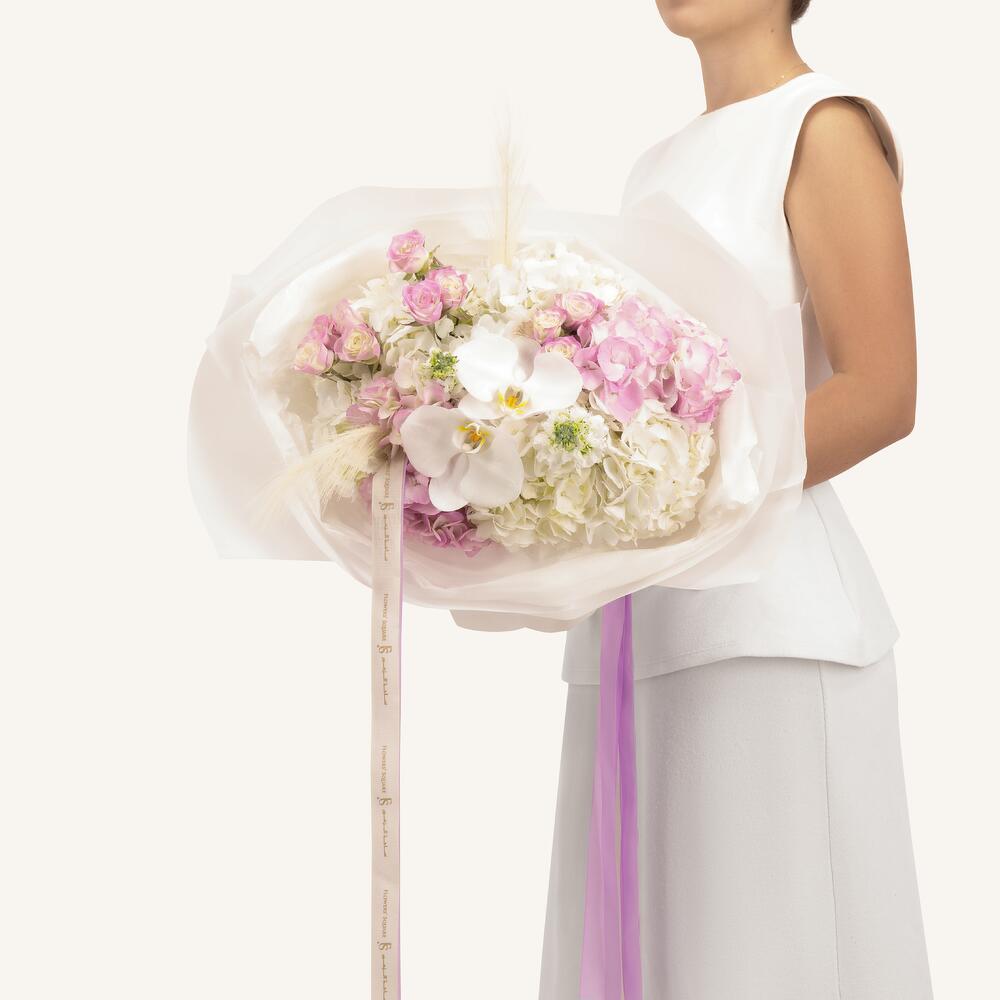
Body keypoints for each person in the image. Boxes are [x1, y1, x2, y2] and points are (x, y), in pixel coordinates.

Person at [538, 2, 934, 997]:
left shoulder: (823, 126)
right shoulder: (654, 167)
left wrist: (677, 491)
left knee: (764, 956)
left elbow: (881, 392)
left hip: (767, 626)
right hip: (642, 618)